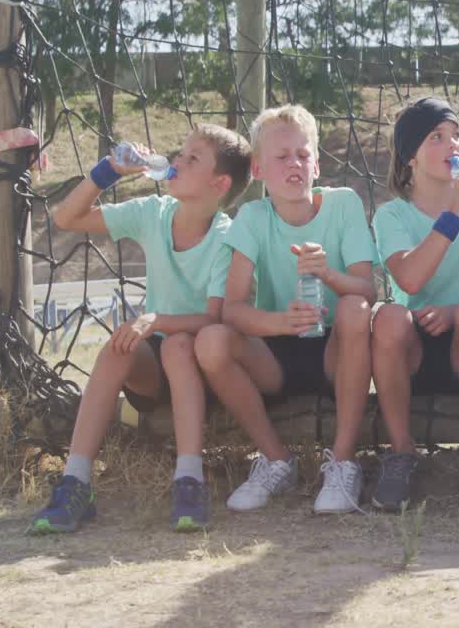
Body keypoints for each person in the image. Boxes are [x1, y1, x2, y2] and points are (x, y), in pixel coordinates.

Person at [30, 124, 252, 533]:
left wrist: (158, 320)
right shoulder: (155, 213)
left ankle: (189, 482)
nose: (177, 160)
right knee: (119, 346)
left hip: (207, 369)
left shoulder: (228, 237)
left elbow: (217, 318)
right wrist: (109, 171)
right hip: (156, 370)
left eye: (192, 158)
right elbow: (66, 217)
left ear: (219, 184)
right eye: (180, 152)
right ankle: (75, 481)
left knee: (178, 345)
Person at [193, 105, 380, 514]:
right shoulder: (252, 217)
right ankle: (276, 459)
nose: (294, 163)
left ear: (317, 165)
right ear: (258, 169)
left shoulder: (343, 204)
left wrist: (326, 273)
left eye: (303, 154)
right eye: (281, 157)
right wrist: (280, 322)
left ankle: (343, 462)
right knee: (210, 341)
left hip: (336, 353)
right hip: (275, 352)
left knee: (355, 308)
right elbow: (232, 309)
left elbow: (369, 289)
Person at [369, 97, 459, 512]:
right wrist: (452, 215)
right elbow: (410, 279)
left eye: (457, 135)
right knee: (388, 316)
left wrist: (453, 312)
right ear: (410, 157)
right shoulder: (392, 216)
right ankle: (402, 452)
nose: (453, 145)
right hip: (413, 352)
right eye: (436, 137)